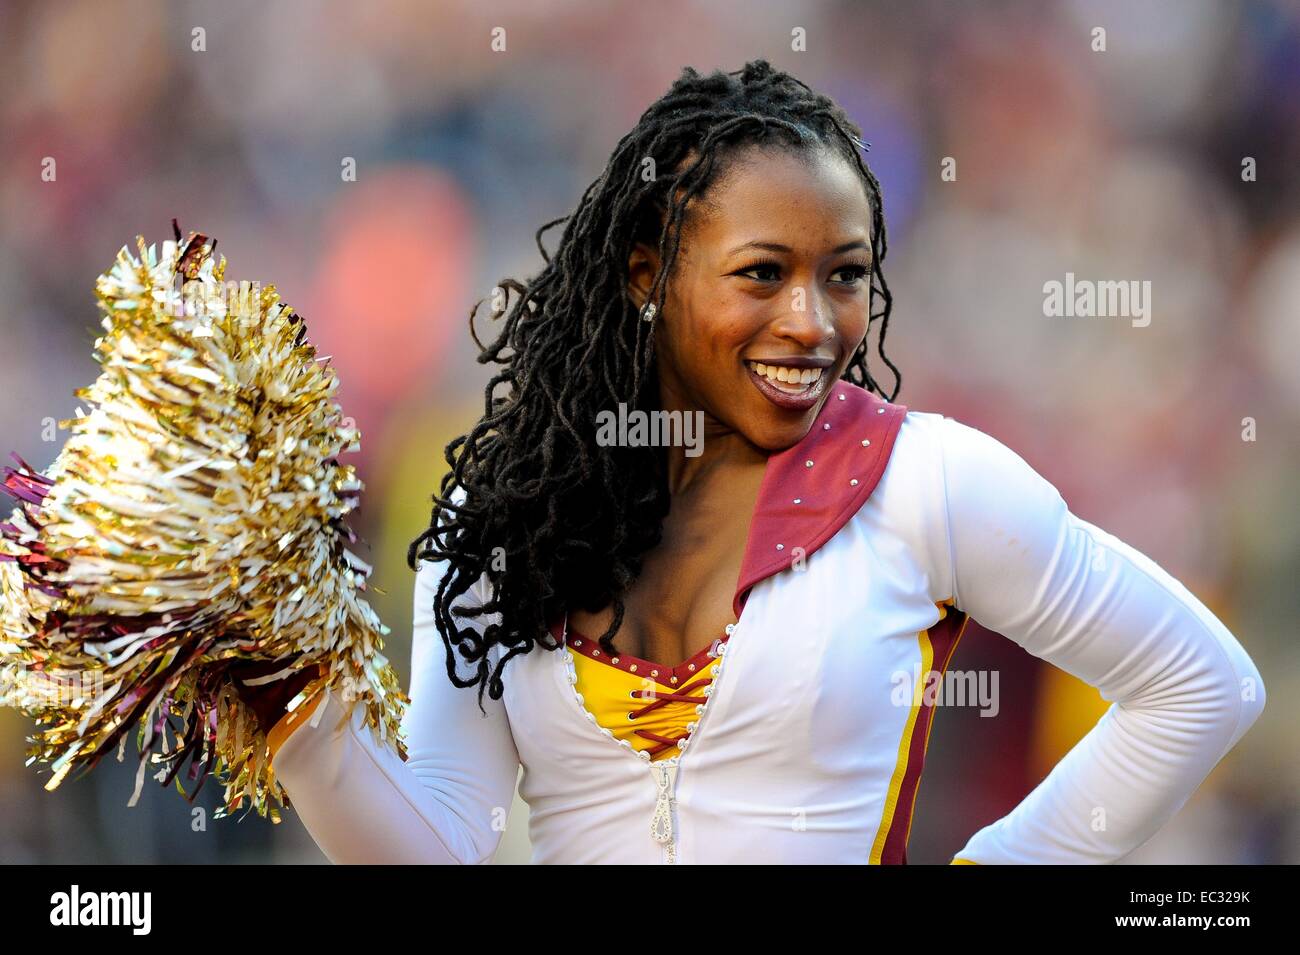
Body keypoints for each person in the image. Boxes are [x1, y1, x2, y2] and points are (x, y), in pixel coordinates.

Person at [236, 60, 1265, 864]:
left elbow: (1199, 683)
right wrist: (293, 718)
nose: (812, 323)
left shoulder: (922, 482)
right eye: (761, 274)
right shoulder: (501, 509)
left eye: (845, 275)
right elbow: (445, 839)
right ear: (648, 274)